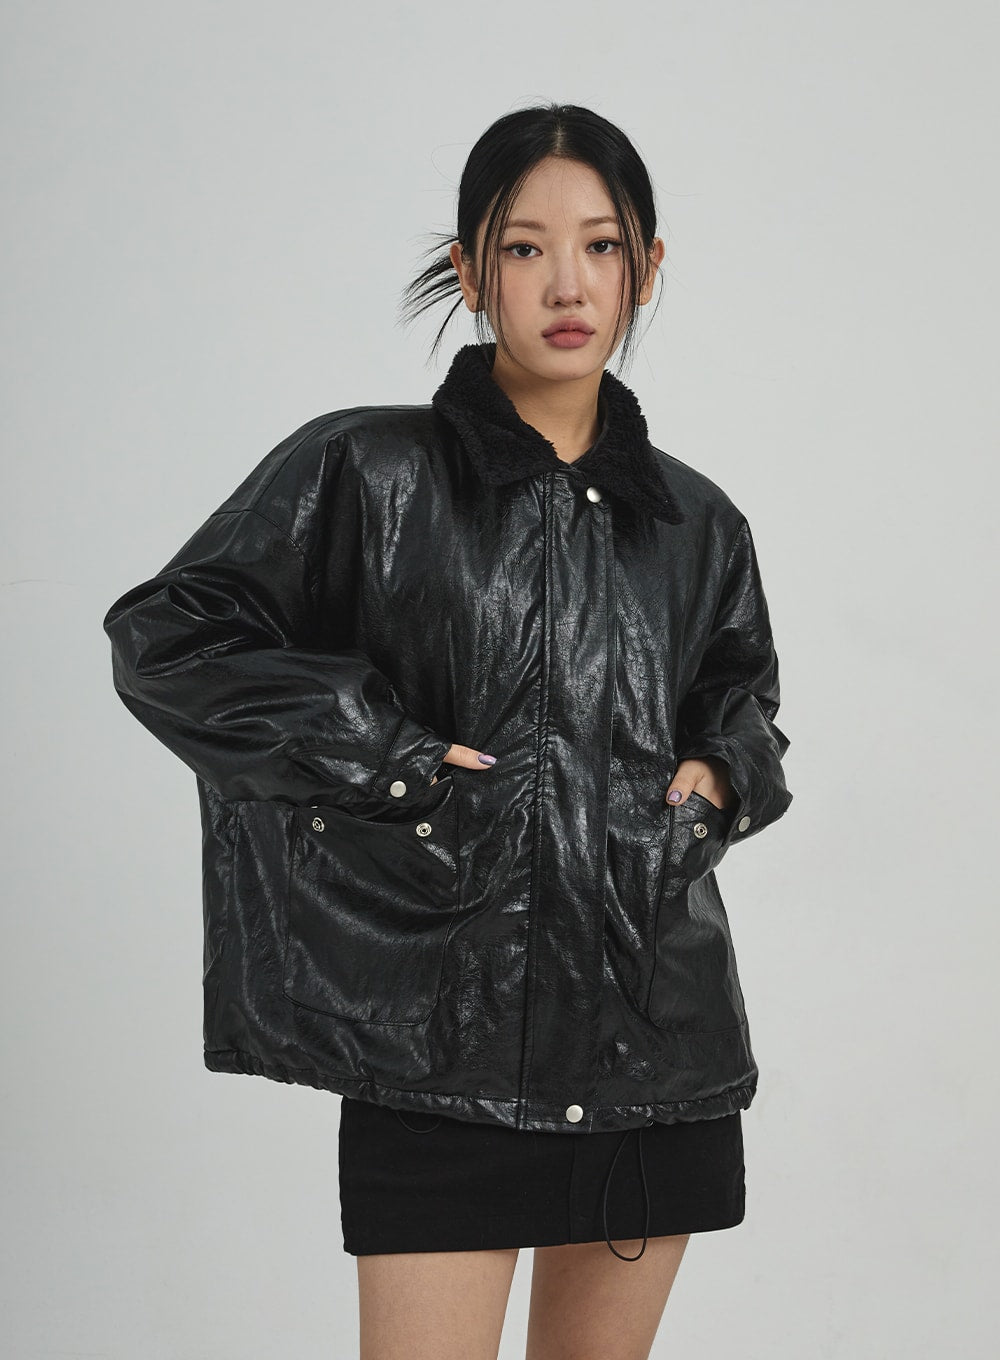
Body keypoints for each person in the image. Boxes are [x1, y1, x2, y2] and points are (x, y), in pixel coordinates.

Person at [102, 102, 793, 1359]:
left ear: (645, 266)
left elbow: (742, 700)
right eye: (525, 248)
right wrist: (388, 762)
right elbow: (173, 639)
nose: (567, 283)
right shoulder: (366, 471)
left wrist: (720, 775)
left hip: (653, 1042)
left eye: (600, 245)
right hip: (437, 1050)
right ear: (472, 270)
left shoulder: (697, 522)